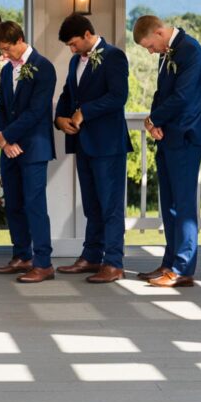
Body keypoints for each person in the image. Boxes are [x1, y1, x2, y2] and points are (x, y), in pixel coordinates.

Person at [132, 15, 201, 288]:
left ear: (159, 32)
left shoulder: (191, 50)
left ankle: (183, 269)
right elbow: (162, 93)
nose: (150, 52)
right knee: (168, 204)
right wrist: (154, 122)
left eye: (150, 46)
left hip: (187, 135)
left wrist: (155, 119)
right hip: (167, 135)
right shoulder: (166, 53)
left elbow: (184, 96)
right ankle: (169, 263)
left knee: (184, 205)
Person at [54, 15, 133, 284]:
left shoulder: (114, 56)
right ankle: (91, 257)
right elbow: (68, 94)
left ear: (87, 34)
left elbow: (118, 96)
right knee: (91, 205)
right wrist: (60, 118)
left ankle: (114, 262)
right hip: (83, 143)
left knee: (110, 206)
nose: (71, 50)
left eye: (73, 43)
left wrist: (84, 112)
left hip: (108, 143)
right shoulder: (76, 61)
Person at [0, 20, 57, 283]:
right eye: (1, 50)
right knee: (14, 203)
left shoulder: (44, 67)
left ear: (19, 40)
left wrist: (7, 135)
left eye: (7, 48)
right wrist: (4, 141)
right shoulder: (8, 70)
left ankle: (43, 263)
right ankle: (22, 256)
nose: (4, 54)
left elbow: (36, 111)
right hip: (9, 149)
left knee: (35, 205)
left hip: (34, 148)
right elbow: (1, 107)